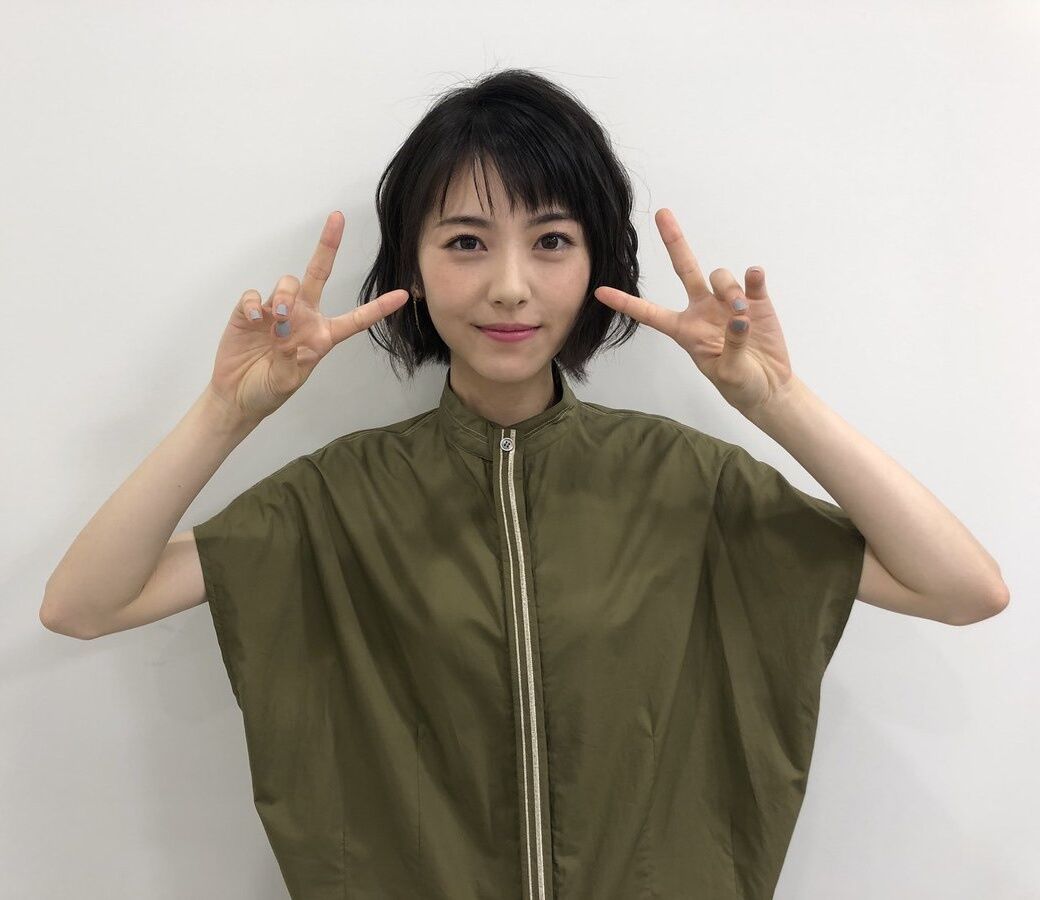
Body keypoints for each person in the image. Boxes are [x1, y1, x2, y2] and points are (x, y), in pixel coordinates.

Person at [40, 68, 1008, 900]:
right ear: (414, 267)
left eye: (550, 241)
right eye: (465, 242)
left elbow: (962, 589)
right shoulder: (334, 500)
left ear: (595, 265)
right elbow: (85, 604)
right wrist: (226, 412)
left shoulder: (685, 480)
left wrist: (778, 403)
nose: (509, 285)